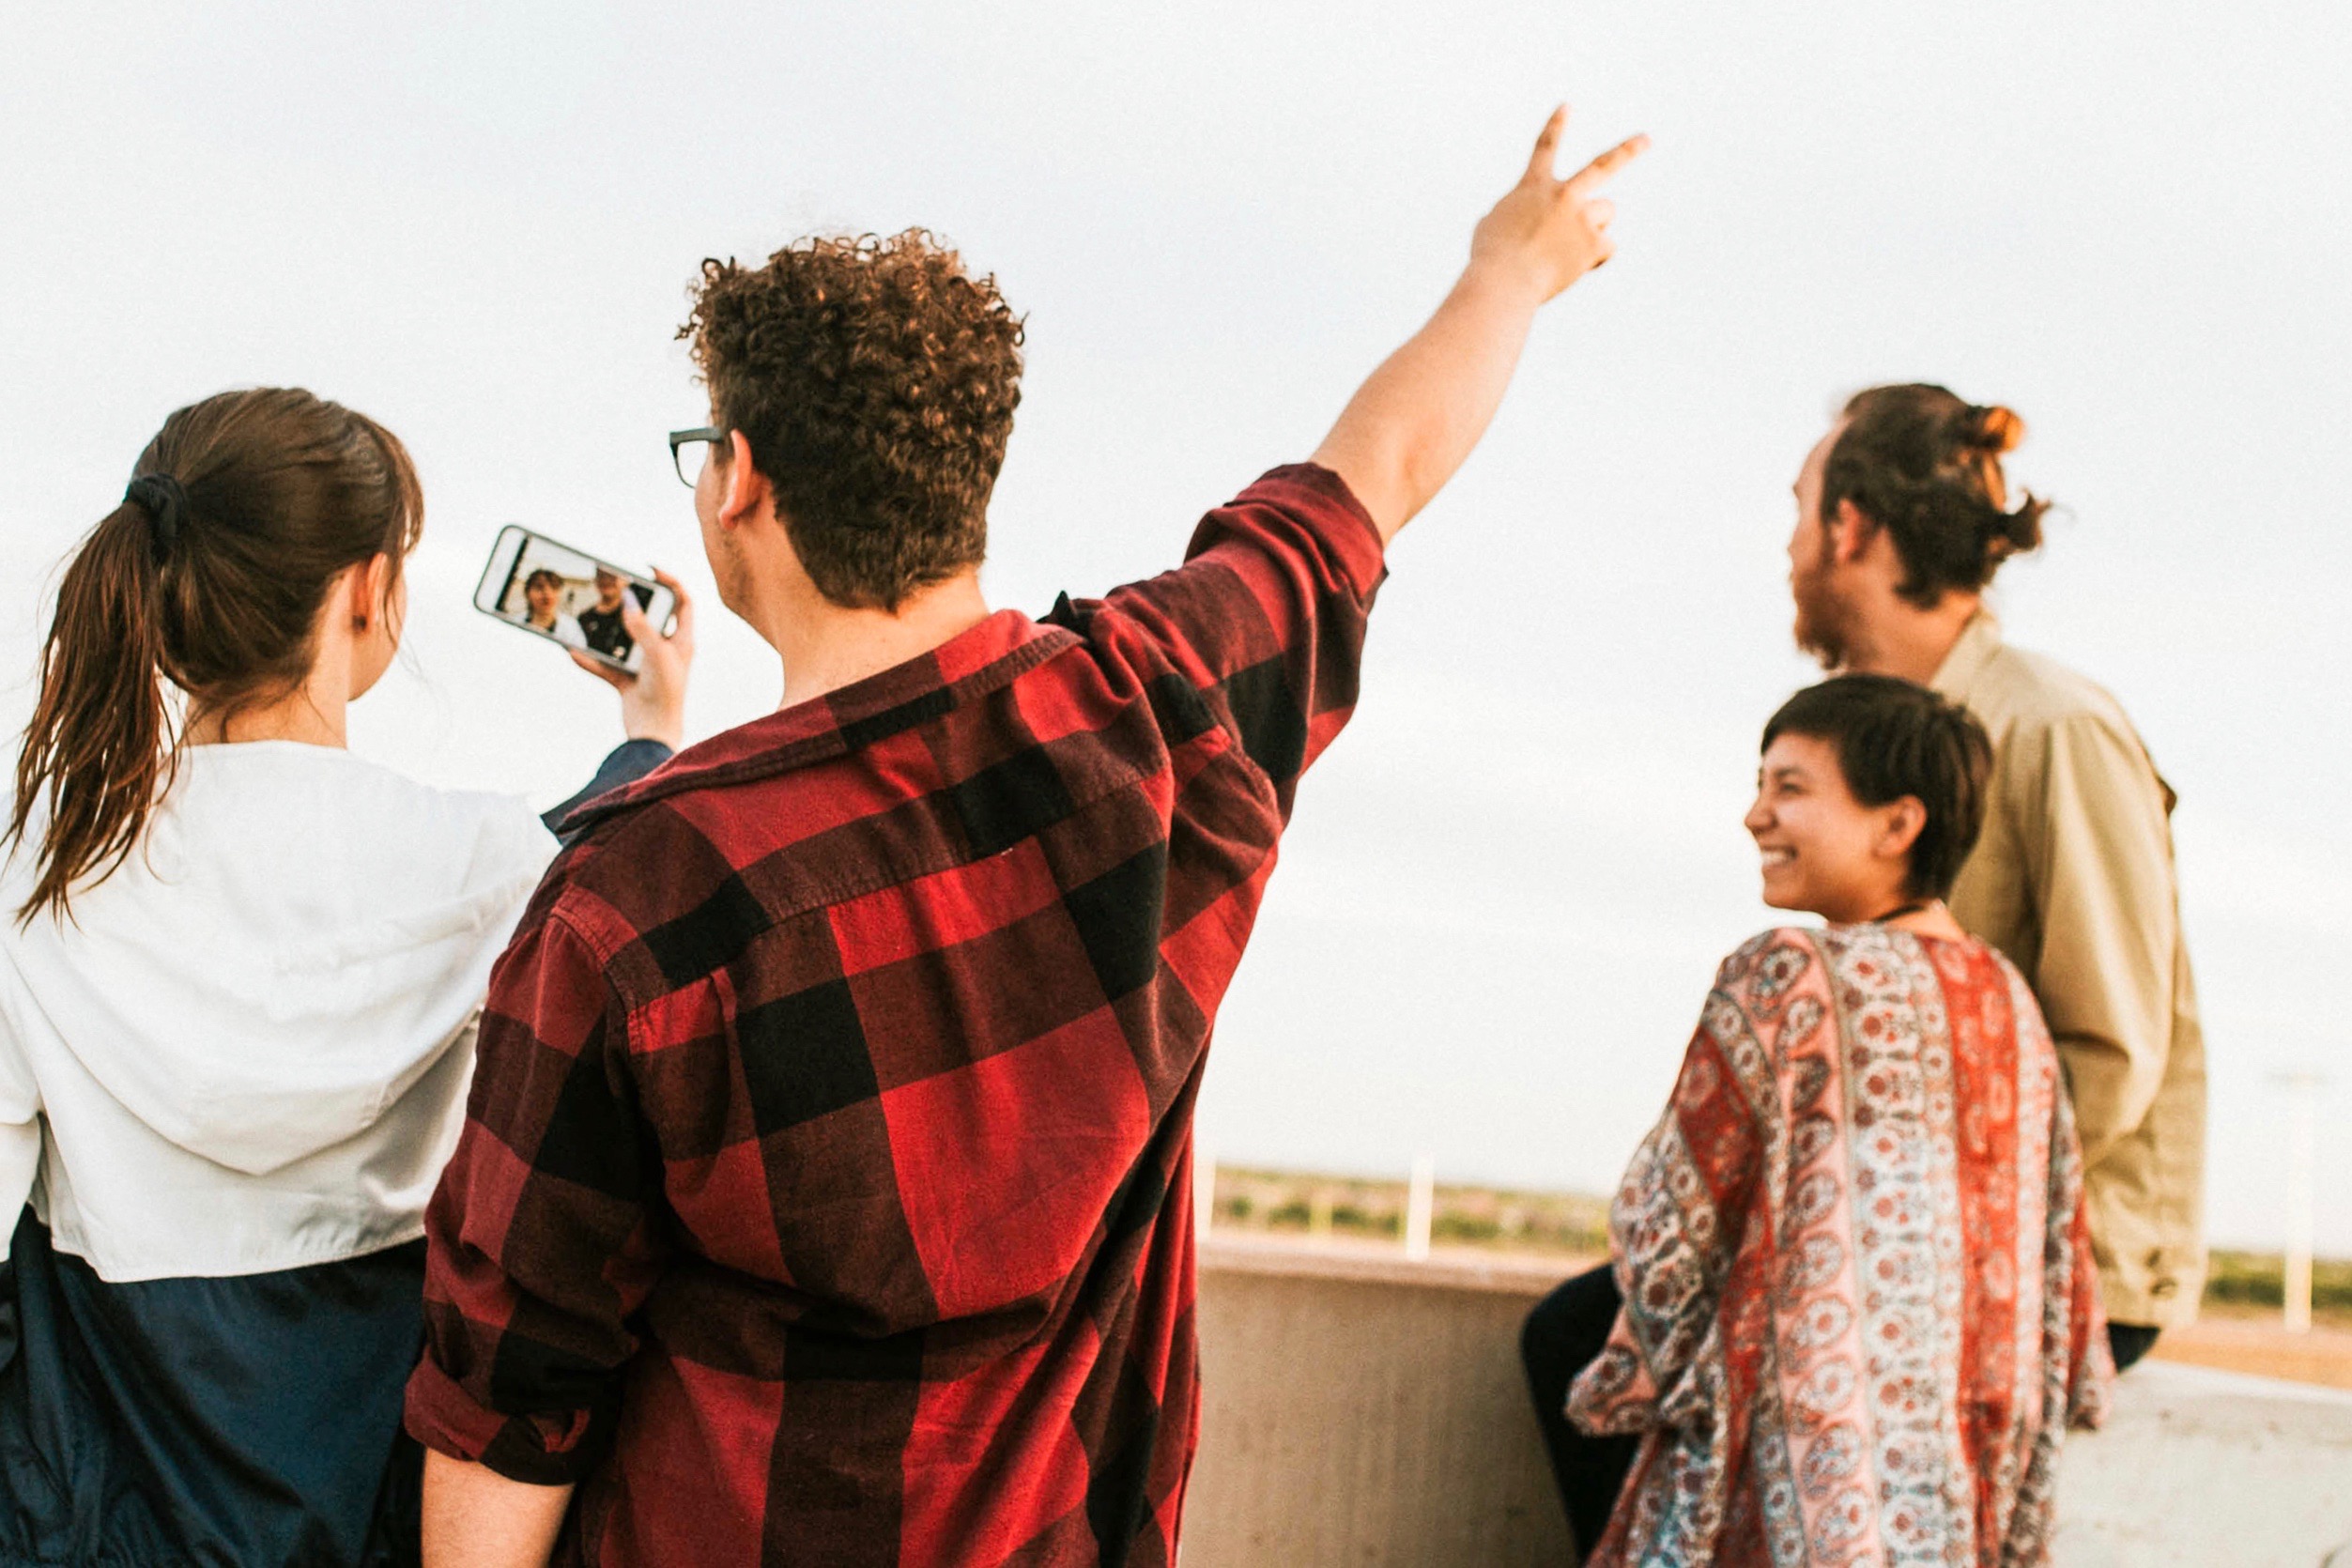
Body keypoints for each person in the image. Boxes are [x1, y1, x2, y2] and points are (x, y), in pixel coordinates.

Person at [405, 109, 1647, 1566]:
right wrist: (1511, 267)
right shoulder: (1161, 711)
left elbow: (513, 1390)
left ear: (737, 477)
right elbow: (1372, 475)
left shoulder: (632, 893)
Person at [0, 387, 692, 1567]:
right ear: (364, 591)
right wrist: (653, 721)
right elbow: (608, 848)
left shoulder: (39, 877)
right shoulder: (490, 869)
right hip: (376, 1501)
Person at [1533, 675, 2110, 1567]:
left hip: (1803, 1457)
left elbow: (1665, 1231)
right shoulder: (2007, 999)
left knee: (1556, 1337)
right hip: (1967, 1468)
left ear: (1896, 824)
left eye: (1788, 787)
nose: (1753, 815)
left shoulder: (1784, 972)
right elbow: (2059, 1248)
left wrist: (1642, 1383)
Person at [1785, 385, 2203, 1370]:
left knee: (1584, 1350)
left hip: (2050, 1265)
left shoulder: (2056, 725)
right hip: (1905, 1243)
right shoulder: (1874, 742)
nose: (1789, 548)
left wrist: (1898, 1216)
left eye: (1796, 510)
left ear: (1849, 526)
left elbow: (2110, 1051)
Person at [576, 567, 641, 663]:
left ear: (625, 581)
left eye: (612, 576)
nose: (606, 580)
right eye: (601, 576)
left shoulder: (635, 618)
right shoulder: (584, 618)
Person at [520, 566, 588, 649]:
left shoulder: (571, 627)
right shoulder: (515, 621)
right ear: (527, 593)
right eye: (539, 587)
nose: (547, 594)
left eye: (554, 587)